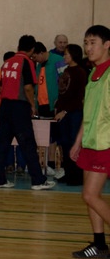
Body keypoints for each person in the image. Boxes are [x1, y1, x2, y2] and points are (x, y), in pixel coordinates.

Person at [0, 35, 56, 191]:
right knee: (28, 145)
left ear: (18, 46)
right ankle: (38, 181)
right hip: (19, 107)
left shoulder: (7, 62)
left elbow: (0, 86)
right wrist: (32, 105)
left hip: (5, 107)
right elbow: (28, 88)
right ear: (32, 49)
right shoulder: (26, 62)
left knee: (2, 145)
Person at [70, 25, 110, 259]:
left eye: (93, 42)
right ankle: (100, 245)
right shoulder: (93, 75)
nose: (88, 47)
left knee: (89, 195)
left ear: (107, 45)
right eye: (86, 43)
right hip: (90, 143)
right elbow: (88, 114)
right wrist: (78, 142)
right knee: (91, 198)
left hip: (105, 144)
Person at [54, 44, 87, 186]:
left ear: (73, 55)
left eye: (66, 54)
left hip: (73, 113)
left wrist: (65, 111)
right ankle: (68, 173)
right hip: (63, 113)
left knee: (74, 143)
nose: (64, 56)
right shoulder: (67, 70)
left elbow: (79, 97)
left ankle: (76, 176)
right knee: (64, 143)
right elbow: (64, 92)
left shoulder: (80, 72)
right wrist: (58, 106)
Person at [0, 51, 27, 174]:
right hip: (4, 109)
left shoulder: (20, 71)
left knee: (20, 139)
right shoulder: (0, 72)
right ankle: (9, 164)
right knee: (7, 140)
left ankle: (21, 165)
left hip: (18, 109)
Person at [32, 42, 64, 178]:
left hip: (55, 106)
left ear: (41, 53)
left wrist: (60, 101)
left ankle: (62, 166)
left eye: (35, 57)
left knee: (59, 137)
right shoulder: (39, 66)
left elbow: (64, 82)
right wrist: (35, 104)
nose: (34, 60)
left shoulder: (58, 60)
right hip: (42, 106)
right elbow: (37, 86)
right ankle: (49, 165)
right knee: (48, 137)